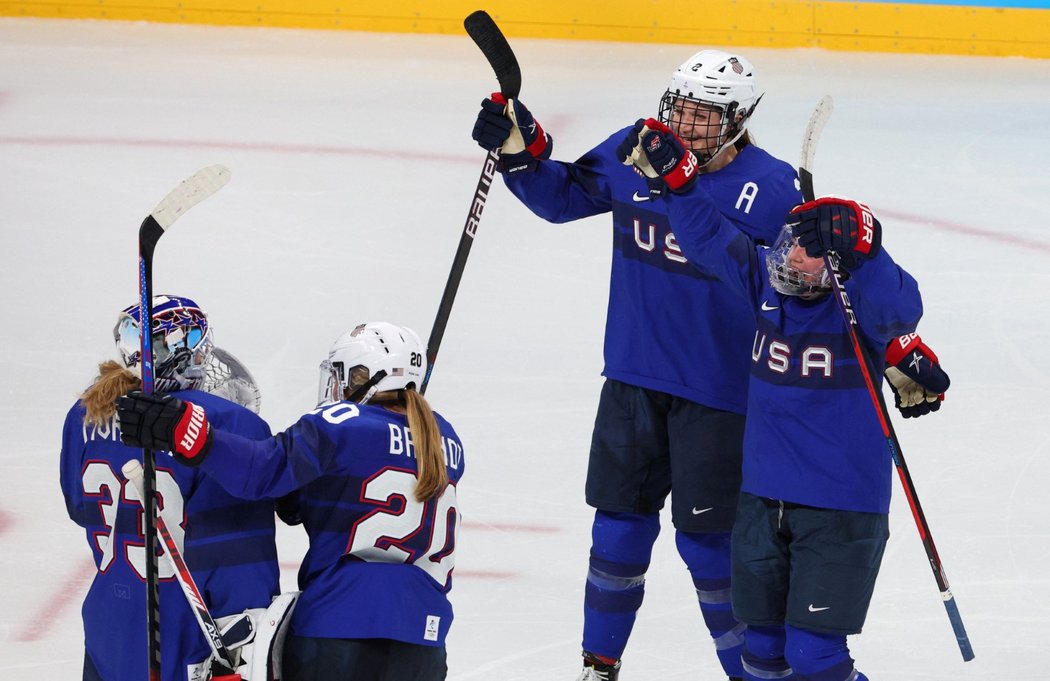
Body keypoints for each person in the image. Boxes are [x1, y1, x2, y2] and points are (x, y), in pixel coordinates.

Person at [473, 49, 800, 680]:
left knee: (710, 549)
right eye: (682, 106)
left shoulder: (773, 187)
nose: (687, 123)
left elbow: (777, 289)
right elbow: (563, 196)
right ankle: (599, 667)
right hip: (631, 376)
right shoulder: (638, 147)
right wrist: (519, 151)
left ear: (739, 118)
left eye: (706, 115)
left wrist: (683, 191)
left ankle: (752, 674)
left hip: (721, 394)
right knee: (617, 533)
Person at [622, 119, 931, 680]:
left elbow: (901, 310)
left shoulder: (857, 313)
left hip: (839, 506)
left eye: (807, 254)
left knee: (815, 658)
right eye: (787, 246)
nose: (789, 259)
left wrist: (870, 248)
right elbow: (706, 239)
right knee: (761, 654)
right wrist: (683, 187)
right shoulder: (761, 287)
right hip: (761, 500)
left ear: (837, 269)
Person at [115, 321, 465, 681]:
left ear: (363, 376)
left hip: (338, 628)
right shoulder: (444, 440)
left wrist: (186, 430)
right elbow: (309, 501)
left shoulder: (341, 423)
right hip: (425, 637)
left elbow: (262, 473)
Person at [60, 295, 279, 681]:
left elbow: (80, 507)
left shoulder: (85, 414)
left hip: (108, 626)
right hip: (187, 633)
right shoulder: (228, 422)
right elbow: (239, 558)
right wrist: (243, 651)